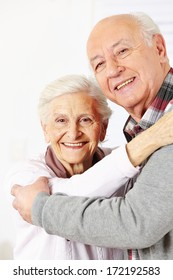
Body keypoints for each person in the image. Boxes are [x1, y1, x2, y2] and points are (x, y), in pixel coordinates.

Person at [11, 12, 173, 259]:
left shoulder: (164, 126)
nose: (113, 70)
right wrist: (146, 141)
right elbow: (76, 189)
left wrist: (40, 207)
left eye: (122, 51)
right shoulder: (29, 175)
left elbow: (135, 222)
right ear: (45, 129)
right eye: (99, 64)